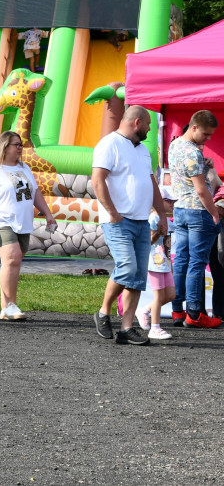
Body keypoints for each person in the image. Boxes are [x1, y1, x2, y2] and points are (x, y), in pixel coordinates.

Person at [92, 105, 167, 345]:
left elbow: (150, 182)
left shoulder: (143, 150)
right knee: (127, 267)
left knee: (136, 275)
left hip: (141, 221)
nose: (148, 128)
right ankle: (103, 312)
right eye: (147, 124)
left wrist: (162, 214)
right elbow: (97, 180)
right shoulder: (109, 144)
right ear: (137, 122)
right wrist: (112, 212)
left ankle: (126, 328)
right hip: (118, 220)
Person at [0, 131, 57, 321]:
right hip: (1, 221)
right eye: (16, 144)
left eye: (21, 145)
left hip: (23, 223)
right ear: (4, 146)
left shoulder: (24, 167)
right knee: (11, 258)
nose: (20, 147)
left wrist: (49, 214)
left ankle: (7, 307)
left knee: (14, 263)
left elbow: (35, 193)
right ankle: (10, 305)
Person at [167, 110, 222, 328]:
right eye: (206, 134)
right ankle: (195, 314)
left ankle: (177, 311)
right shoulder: (192, 153)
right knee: (197, 264)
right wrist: (215, 212)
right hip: (199, 212)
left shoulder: (175, 145)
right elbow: (201, 190)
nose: (208, 139)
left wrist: (204, 163)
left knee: (180, 260)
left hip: (180, 209)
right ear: (195, 127)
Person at [137, 185, 177, 340]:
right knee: (159, 296)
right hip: (154, 263)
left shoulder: (167, 220)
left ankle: (145, 310)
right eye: (169, 201)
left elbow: (167, 244)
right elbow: (149, 241)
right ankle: (155, 328)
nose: (172, 204)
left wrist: (170, 265)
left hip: (164, 263)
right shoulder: (153, 218)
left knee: (171, 295)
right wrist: (157, 233)